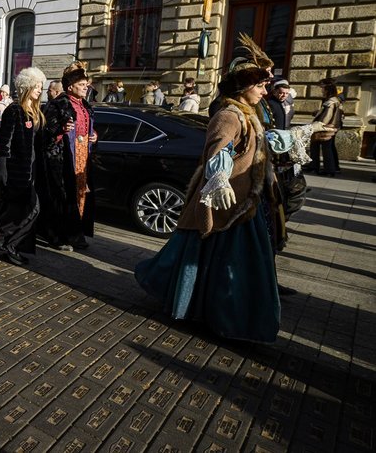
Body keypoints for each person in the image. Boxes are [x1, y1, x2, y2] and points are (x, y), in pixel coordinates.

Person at [134, 38, 329, 342]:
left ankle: (223, 312)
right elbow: (218, 152)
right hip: (228, 200)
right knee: (222, 262)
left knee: (227, 262)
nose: (265, 91)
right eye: (260, 86)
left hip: (247, 198)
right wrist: (220, 181)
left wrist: (306, 131)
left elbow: (267, 141)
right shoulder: (227, 115)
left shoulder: (247, 113)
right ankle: (223, 315)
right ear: (243, 88)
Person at [39, 61, 97, 251]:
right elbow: (46, 130)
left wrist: (93, 135)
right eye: (82, 84)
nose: (85, 87)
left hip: (82, 156)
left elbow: (87, 127)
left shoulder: (85, 105)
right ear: (70, 87)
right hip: (63, 157)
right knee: (63, 197)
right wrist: (61, 130)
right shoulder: (58, 104)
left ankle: (76, 232)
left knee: (80, 195)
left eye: (86, 84)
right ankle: (59, 235)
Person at [0, 67, 46, 266]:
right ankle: (4, 241)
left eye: (41, 87)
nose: (40, 90)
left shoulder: (36, 111)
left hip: (30, 172)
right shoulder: (15, 110)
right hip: (17, 173)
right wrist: (4, 170)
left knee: (21, 210)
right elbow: (3, 143)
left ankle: (4, 241)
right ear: (27, 87)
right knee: (30, 210)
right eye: (37, 86)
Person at [306, 78, 343, 176]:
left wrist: (314, 126)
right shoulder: (335, 100)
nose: (321, 90)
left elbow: (326, 118)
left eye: (322, 87)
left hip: (325, 128)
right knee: (324, 148)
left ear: (327, 88)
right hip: (330, 127)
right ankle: (318, 167)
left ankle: (328, 170)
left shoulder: (331, 101)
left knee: (325, 149)